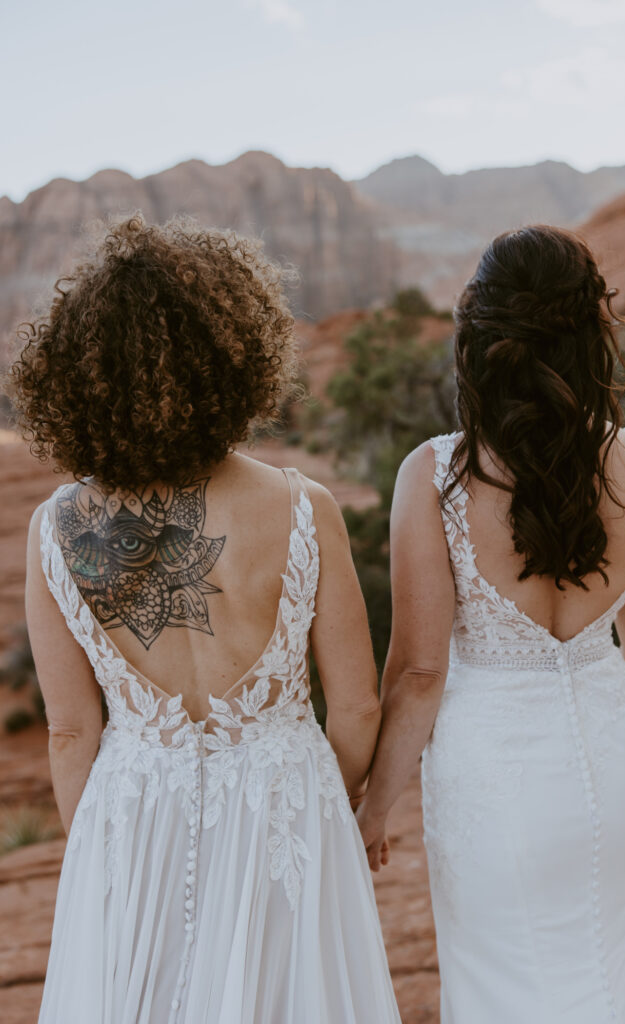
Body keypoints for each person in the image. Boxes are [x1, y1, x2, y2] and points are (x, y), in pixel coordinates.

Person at [10, 214, 401, 1024]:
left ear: (82, 372)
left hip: (132, 809)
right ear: (234, 353)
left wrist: (102, 853)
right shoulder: (301, 506)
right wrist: (347, 812)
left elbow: (71, 733)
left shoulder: (58, 527)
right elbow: (358, 706)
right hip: (284, 807)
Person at [356, 225, 625, 1023]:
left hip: (493, 774)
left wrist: (371, 809)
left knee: (507, 978)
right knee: (602, 957)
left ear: (481, 338)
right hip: (610, 758)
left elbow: (419, 672)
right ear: (589, 334)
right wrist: (598, 727)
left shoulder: (434, 475)